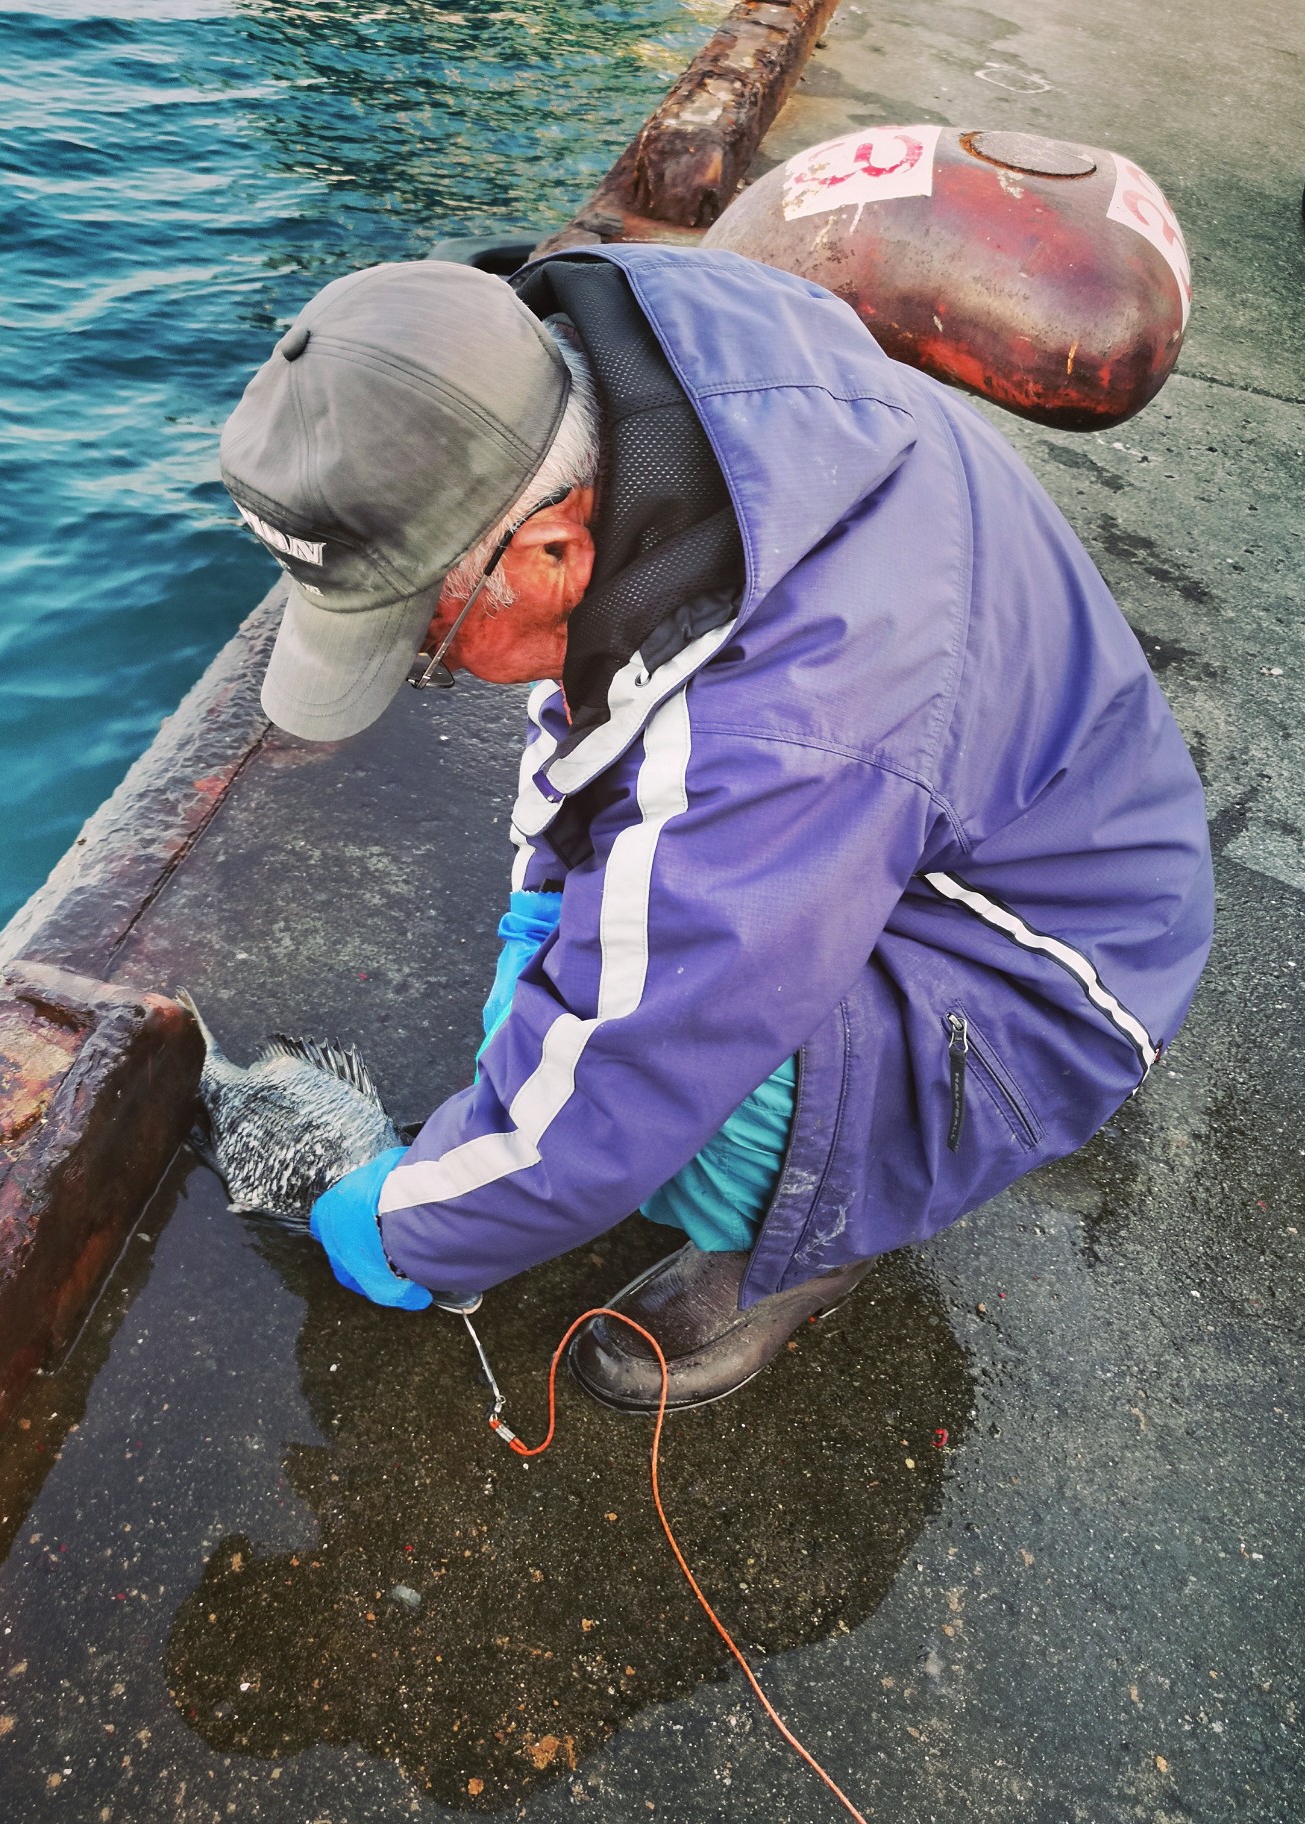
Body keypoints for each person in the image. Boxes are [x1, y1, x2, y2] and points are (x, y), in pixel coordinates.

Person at [220, 247, 1213, 1413]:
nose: (447, 676)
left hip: (1055, 979)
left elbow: (641, 1052)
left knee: (668, 1087)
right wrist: (541, 906)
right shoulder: (661, 386)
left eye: (428, 649)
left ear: (549, 548)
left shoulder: (785, 724)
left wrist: (412, 1232)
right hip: (977, 816)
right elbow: (593, 699)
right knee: (601, 981)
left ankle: (804, 1243)